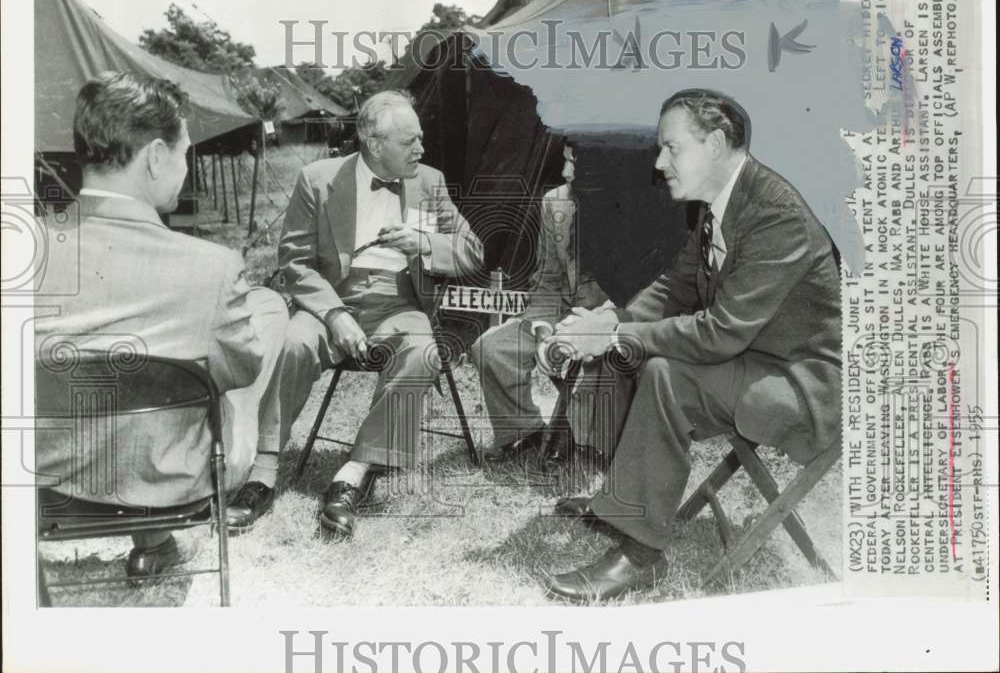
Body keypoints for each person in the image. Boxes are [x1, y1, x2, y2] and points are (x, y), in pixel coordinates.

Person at [541, 89, 842, 602]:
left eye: (671, 148)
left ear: (718, 144)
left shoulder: (776, 214)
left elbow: (720, 331)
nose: (659, 164)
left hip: (801, 387)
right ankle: (625, 503)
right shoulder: (718, 203)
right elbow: (674, 290)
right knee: (632, 356)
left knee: (666, 374)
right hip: (751, 362)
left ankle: (641, 555)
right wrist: (609, 322)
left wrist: (611, 334)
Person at [34, 72, 288, 584]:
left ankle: (154, 543)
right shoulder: (213, 266)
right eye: (184, 152)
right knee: (266, 313)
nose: (185, 166)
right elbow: (240, 369)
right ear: (154, 157)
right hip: (173, 486)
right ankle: (178, 521)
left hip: (42, 480)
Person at [229, 90, 483, 541]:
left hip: (400, 303)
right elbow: (295, 262)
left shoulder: (431, 182)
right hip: (332, 298)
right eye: (410, 142)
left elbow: (472, 253)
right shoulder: (318, 179)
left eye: (420, 140)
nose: (421, 150)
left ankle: (354, 471)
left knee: (423, 351)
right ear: (372, 141)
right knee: (294, 342)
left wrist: (425, 245)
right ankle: (262, 473)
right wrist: (333, 314)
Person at [470, 141, 611, 465]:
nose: (565, 172)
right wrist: (543, 329)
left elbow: (640, 296)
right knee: (490, 349)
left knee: (584, 364)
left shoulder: (639, 205)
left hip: (606, 320)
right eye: (565, 161)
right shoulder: (555, 202)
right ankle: (526, 431)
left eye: (573, 162)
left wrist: (587, 328)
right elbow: (546, 277)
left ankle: (582, 438)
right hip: (558, 312)